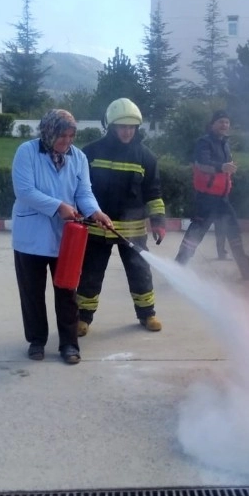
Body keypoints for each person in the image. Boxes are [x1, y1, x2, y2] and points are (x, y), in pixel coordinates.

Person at [11, 109, 113, 365]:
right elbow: (24, 191)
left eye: (71, 135)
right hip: (30, 237)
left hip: (66, 239)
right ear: (48, 132)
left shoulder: (78, 157)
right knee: (32, 292)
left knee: (67, 291)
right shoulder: (27, 152)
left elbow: (84, 193)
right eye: (61, 135)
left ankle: (69, 343)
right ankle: (36, 341)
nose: (66, 141)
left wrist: (96, 212)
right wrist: (58, 206)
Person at [76, 98, 166, 336]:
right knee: (90, 274)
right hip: (97, 228)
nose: (127, 131)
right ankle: (82, 318)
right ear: (111, 126)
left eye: (131, 127)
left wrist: (158, 222)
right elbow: (78, 188)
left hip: (132, 229)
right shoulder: (91, 152)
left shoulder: (146, 157)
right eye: (122, 126)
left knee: (140, 273)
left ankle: (147, 314)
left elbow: (153, 193)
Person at [174, 110, 249, 279]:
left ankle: (245, 269)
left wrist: (227, 169)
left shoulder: (225, 143)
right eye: (221, 122)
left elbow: (225, 167)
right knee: (196, 233)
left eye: (227, 122)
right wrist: (222, 167)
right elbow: (202, 164)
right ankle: (178, 267)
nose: (224, 125)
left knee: (233, 229)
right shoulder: (204, 143)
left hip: (221, 198)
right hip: (206, 198)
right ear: (212, 124)